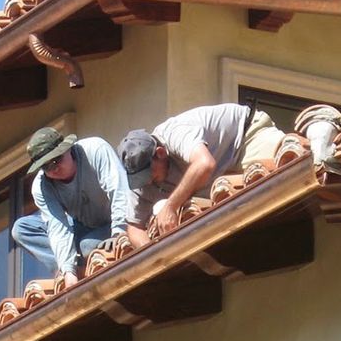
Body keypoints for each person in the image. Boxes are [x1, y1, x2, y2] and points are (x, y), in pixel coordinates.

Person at [117, 103, 286, 248]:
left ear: (160, 153)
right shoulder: (139, 178)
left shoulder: (176, 133)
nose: (146, 182)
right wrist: (152, 254)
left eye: (148, 174)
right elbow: (134, 226)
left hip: (244, 139)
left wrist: (170, 206)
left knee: (288, 164)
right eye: (139, 179)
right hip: (217, 178)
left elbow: (204, 164)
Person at [12, 127, 129, 287]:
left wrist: (119, 233)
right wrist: (68, 271)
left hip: (118, 222)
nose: (54, 169)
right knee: (21, 229)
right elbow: (57, 227)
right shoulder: (41, 186)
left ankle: (83, 256)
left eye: (56, 161)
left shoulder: (95, 149)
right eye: (46, 167)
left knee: (86, 246)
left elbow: (120, 190)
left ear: (67, 149)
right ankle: (70, 265)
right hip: (83, 227)